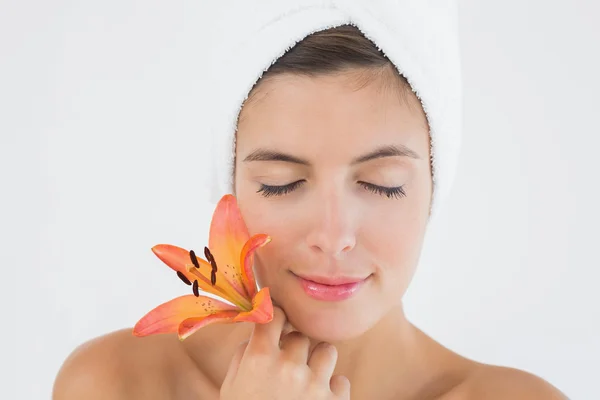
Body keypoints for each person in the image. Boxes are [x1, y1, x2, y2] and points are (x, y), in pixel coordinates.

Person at [53, 19, 567, 400]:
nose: (333, 234)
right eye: (282, 184)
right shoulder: (115, 384)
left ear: (436, 184)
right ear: (229, 188)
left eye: (382, 185)